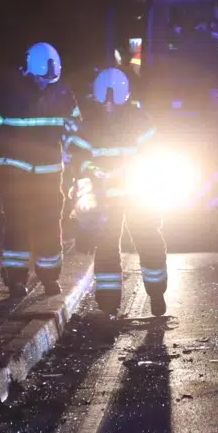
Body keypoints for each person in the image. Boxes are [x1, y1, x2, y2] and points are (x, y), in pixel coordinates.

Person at [0, 42, 81, 297]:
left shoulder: (62, 93)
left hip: (50, 174)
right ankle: (16, 280)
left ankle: (49, 277)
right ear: (30, 70)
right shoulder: (7, 94)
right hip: (15, 174)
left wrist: (80, 164)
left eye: (49, 79)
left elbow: (76, 131)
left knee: (50, 225)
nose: (44, 84)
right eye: (41, 78)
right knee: (18, 225)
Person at [67, 67, 168, 319]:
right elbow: (78, 160)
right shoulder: (137, 118)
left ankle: (155, 295)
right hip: (124, 196)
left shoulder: (92, 121)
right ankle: (112, 305)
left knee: (141, 243)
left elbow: (154, 153)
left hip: (131, 195)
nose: (110, 105)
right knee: (112, 247)